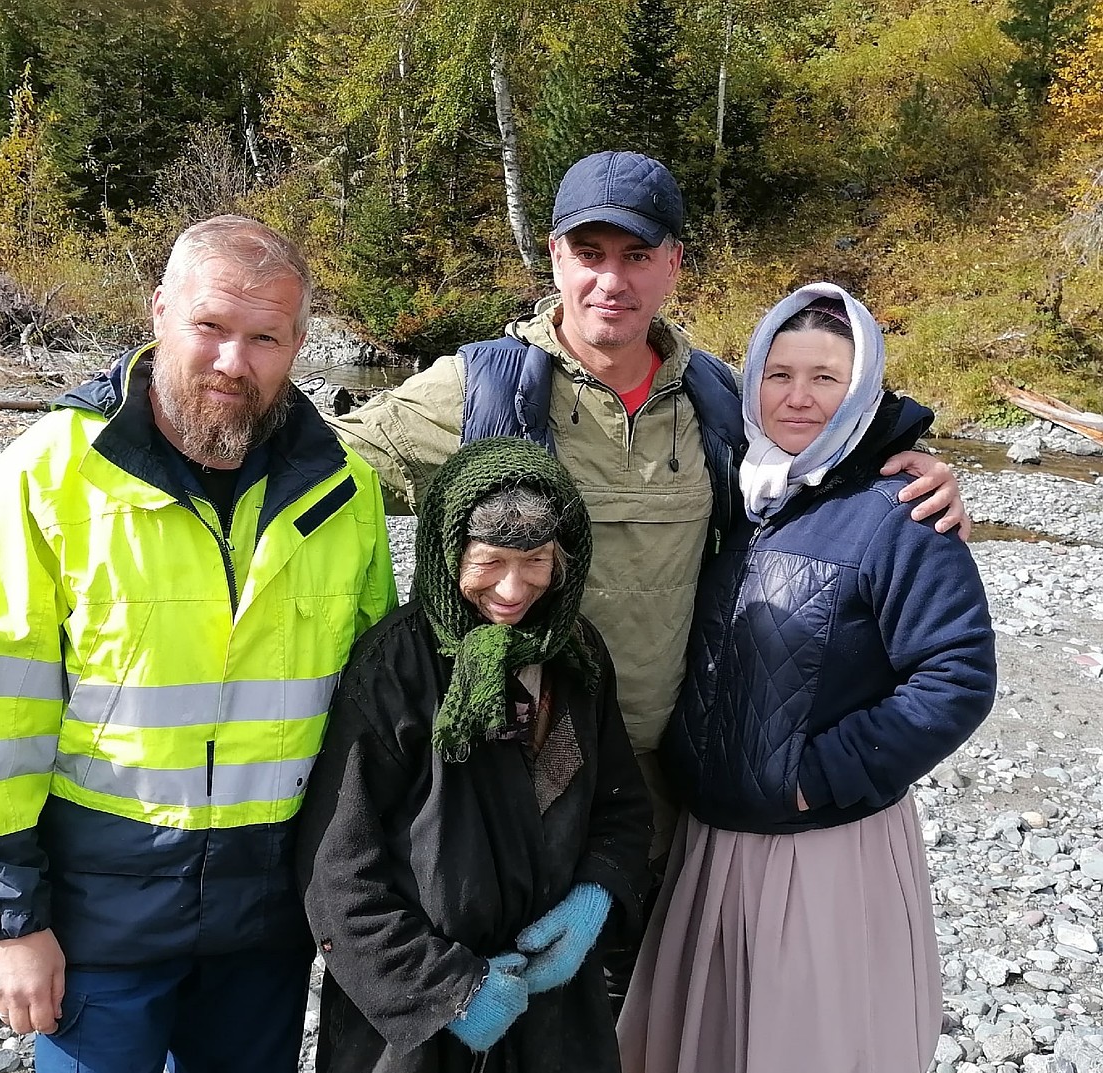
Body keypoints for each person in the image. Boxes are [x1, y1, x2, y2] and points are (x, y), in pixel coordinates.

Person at [327, 150, 968, 877]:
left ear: (674, 263)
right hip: (504, 762)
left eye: (637, 255)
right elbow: (318, 474)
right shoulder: (476, 390)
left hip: (663, 778)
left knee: (643, 984)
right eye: (589, 253)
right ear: (555, 257)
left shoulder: (717, 399)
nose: (612, 281)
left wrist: (911, 471)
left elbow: (812, 472)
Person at [0, 215, 397, 1073]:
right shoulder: (52, 474)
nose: (236, 360)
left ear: (297, 346)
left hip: (268, 907)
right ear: (158, 315)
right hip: (103, 904)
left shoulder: (343, 491)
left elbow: (369, 714)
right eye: (212, 326)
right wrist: (9, 920)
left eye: (266, 337)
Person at [616, 283, 997, 1073]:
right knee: (717, 1037)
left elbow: (958, 677)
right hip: (716, 831)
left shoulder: (901, 514)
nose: (797, 396)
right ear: (749, 385)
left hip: (814, 834)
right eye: (779, 373)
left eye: (826, 376)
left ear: (862, 387)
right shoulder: (738, 493)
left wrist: (814, 776)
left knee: (800, 1045)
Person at [290, 436, 652, 1073]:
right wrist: (449, 989)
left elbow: (620, 806)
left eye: (537, 564)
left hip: (543, 993)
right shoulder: (395, 666)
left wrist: (592, 903)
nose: (513, 590)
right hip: (418, 1018)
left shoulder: (578, 656)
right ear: (448, 549)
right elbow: (336, 869)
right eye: (489, 562)